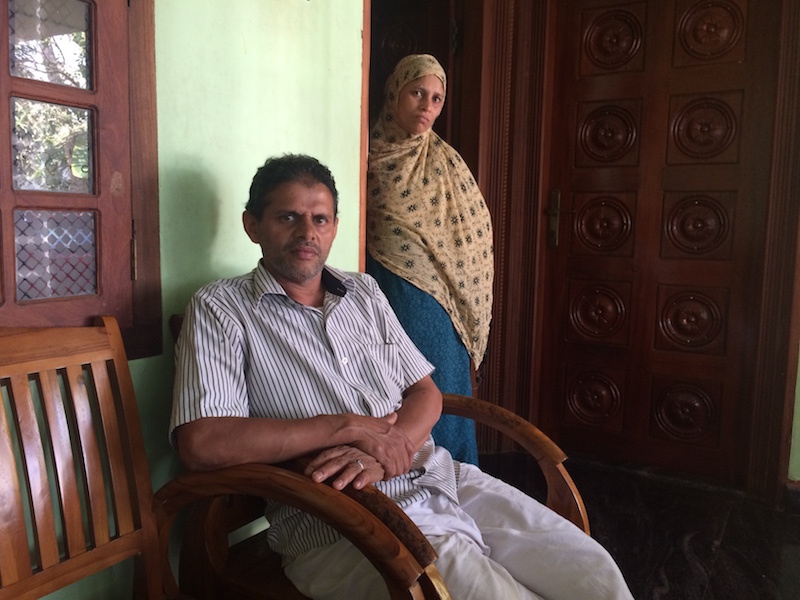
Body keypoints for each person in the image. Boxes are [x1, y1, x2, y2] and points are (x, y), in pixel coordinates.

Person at [171, 153, 634, 600]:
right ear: (252, 225)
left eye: (321, 219)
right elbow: (202, 443)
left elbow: (424, 393)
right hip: (339, 522)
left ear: (334, 227)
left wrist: (392, 453)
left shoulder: (363, 292)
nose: (307, 233)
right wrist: (347, 426)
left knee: (591, 571)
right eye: (287, 218)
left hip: (437, 478)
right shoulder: (221, 309)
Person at [366, 53, 493, 464]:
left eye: (437, 98)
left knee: (445, 383)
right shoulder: (365, 152)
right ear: (394, 93)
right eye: (417, 92)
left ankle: (459, 480)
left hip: (444, 298)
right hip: (391, 288)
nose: (426, 106)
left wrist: (461, 287)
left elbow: (472, 231)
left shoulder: (446, 161)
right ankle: (410, 488)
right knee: (400, 388)